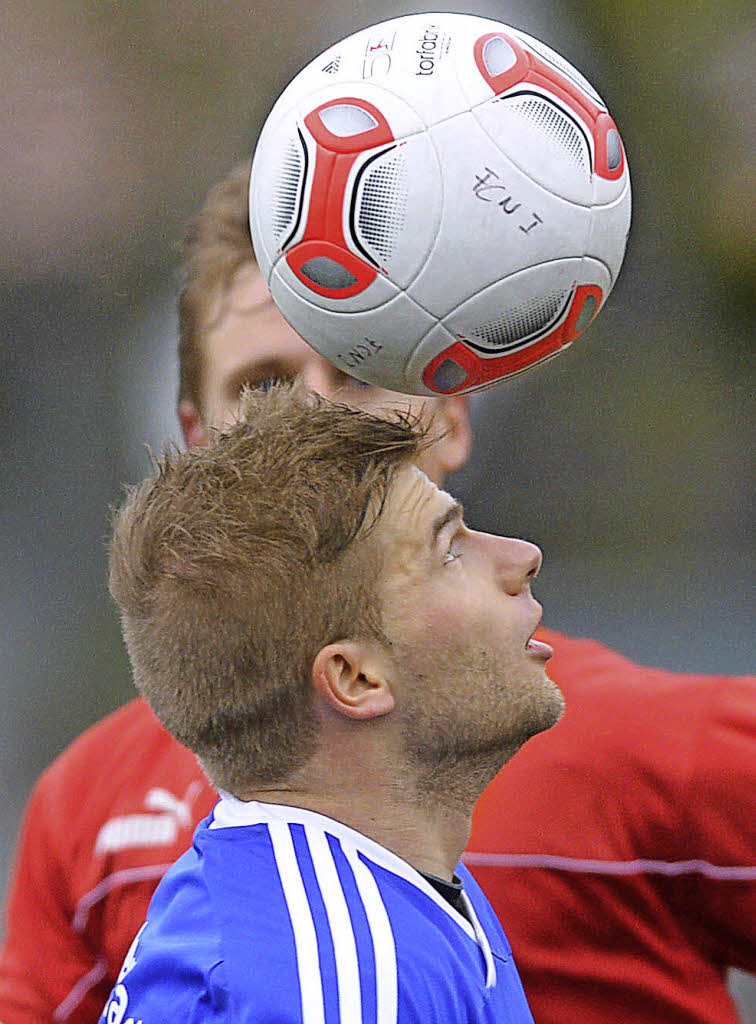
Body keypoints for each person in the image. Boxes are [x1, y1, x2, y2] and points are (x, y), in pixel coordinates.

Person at [1, 163, 753, 1024]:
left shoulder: (642, 744)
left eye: (359, 370)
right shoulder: (91, 806)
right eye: (265, 388)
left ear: (453, 412)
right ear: (196, 448)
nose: (318, 421)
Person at [100, 379, 562, 1020]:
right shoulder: (338, 975)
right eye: (450, 550)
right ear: (356, 678)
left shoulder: (381, 890)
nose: (522, 557)